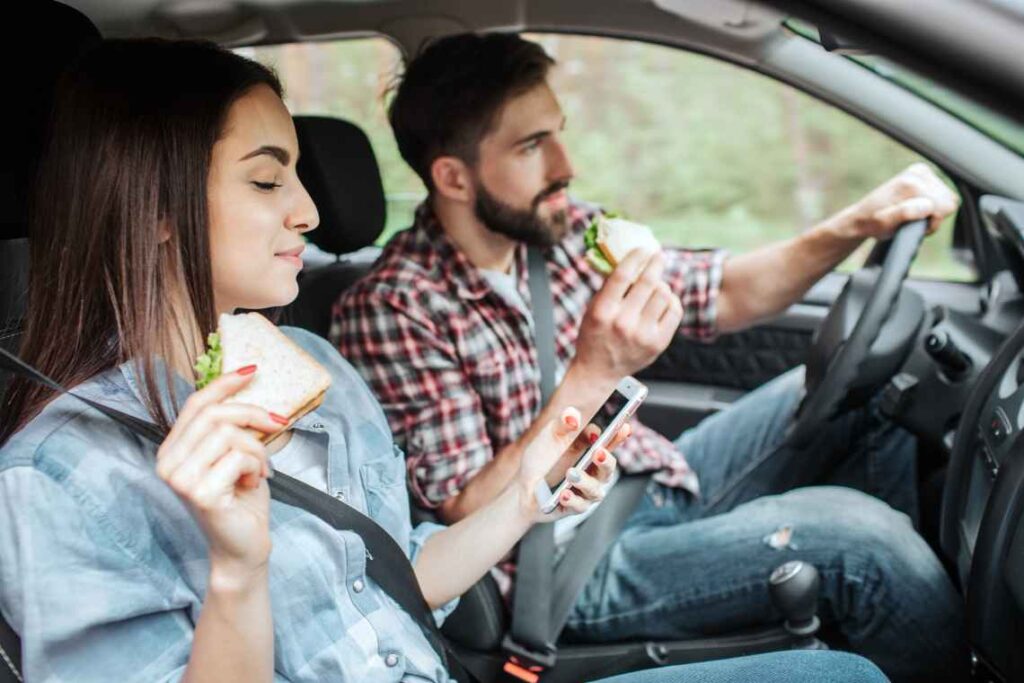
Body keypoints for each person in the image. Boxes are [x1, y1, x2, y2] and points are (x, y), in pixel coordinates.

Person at [0, 37, 888, 683]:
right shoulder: (56, 478)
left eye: (300, 175)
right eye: (269, 180)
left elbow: (399, 577)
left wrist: (531, 493)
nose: (309, 211)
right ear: (154, 206)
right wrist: (237, 571)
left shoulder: (308, 362)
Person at [333, 32, 968, 683]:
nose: (565, 163)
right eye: (531, 146)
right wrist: (593, 373)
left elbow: (724, 290)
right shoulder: (394, 307)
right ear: (453, 176)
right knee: (864, 544)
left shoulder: (561, 231)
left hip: (644, 474)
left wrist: (856, 224)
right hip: (560, 564)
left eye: (559, 132)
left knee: (869, 392)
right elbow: (465, 505)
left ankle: (879, 632)